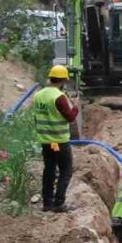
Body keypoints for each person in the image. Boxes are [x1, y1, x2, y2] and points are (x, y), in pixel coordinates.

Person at [32, 65, 79, 213]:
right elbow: (71, 117)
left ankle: (47, 203)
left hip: (46, 141)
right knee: (66, 170)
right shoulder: (59, 97)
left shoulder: (39, 95)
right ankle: (59, 203)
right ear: (64, 80)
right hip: (59, 141)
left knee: (49, 170)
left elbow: (37, 117)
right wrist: (75, 106)